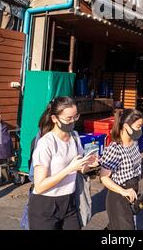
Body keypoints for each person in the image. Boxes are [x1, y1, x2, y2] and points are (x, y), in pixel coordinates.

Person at [27, 96, 97, 230]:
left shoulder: (75, 137)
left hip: (69, 201)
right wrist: (69, 169)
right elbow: (40, 185)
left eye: (75, 117)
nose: (73, 122)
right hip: (45, 204)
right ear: (54, 119)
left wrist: (88, 164)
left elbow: (79, 169)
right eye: (68, 118)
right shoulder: (46, 143)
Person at [99, 108, 143, 230]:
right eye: (138, 126)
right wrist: (123, 191)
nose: (140, 130)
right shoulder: (114, 148)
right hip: (119, 196)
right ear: (126, 126)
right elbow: (104, 178)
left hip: (132, 193)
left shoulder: (134, 143)